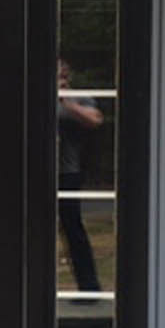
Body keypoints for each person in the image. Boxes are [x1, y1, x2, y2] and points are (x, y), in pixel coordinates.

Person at [57, 58, 104, 292]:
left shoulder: (79, 98)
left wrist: (68, 104)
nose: (60, 80)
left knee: (72, 228)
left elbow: (95, 120)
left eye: (63, 76)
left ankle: (88, 287)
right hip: (35, 173)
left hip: (67, 172)